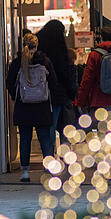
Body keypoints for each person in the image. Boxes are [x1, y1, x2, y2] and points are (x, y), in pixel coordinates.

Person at [6, 33, 59, 183]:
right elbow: (54, 82)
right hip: (42, 106)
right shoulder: (45, 62)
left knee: (24, 139)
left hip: (23, 106)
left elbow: (9, 83)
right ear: (37, 45)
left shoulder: (17, 63)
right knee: (44, 139)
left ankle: (25, 173)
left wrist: (16, 95)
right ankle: (49, 169)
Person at [36, 19, 78, 148]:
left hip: (42, 96)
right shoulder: (61, 52)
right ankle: (66, 158)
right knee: (65, 127)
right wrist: (72, 94)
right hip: (60, 96)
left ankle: (49, 156)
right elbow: (66, 75)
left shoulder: (40, 53)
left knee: (49, 127)